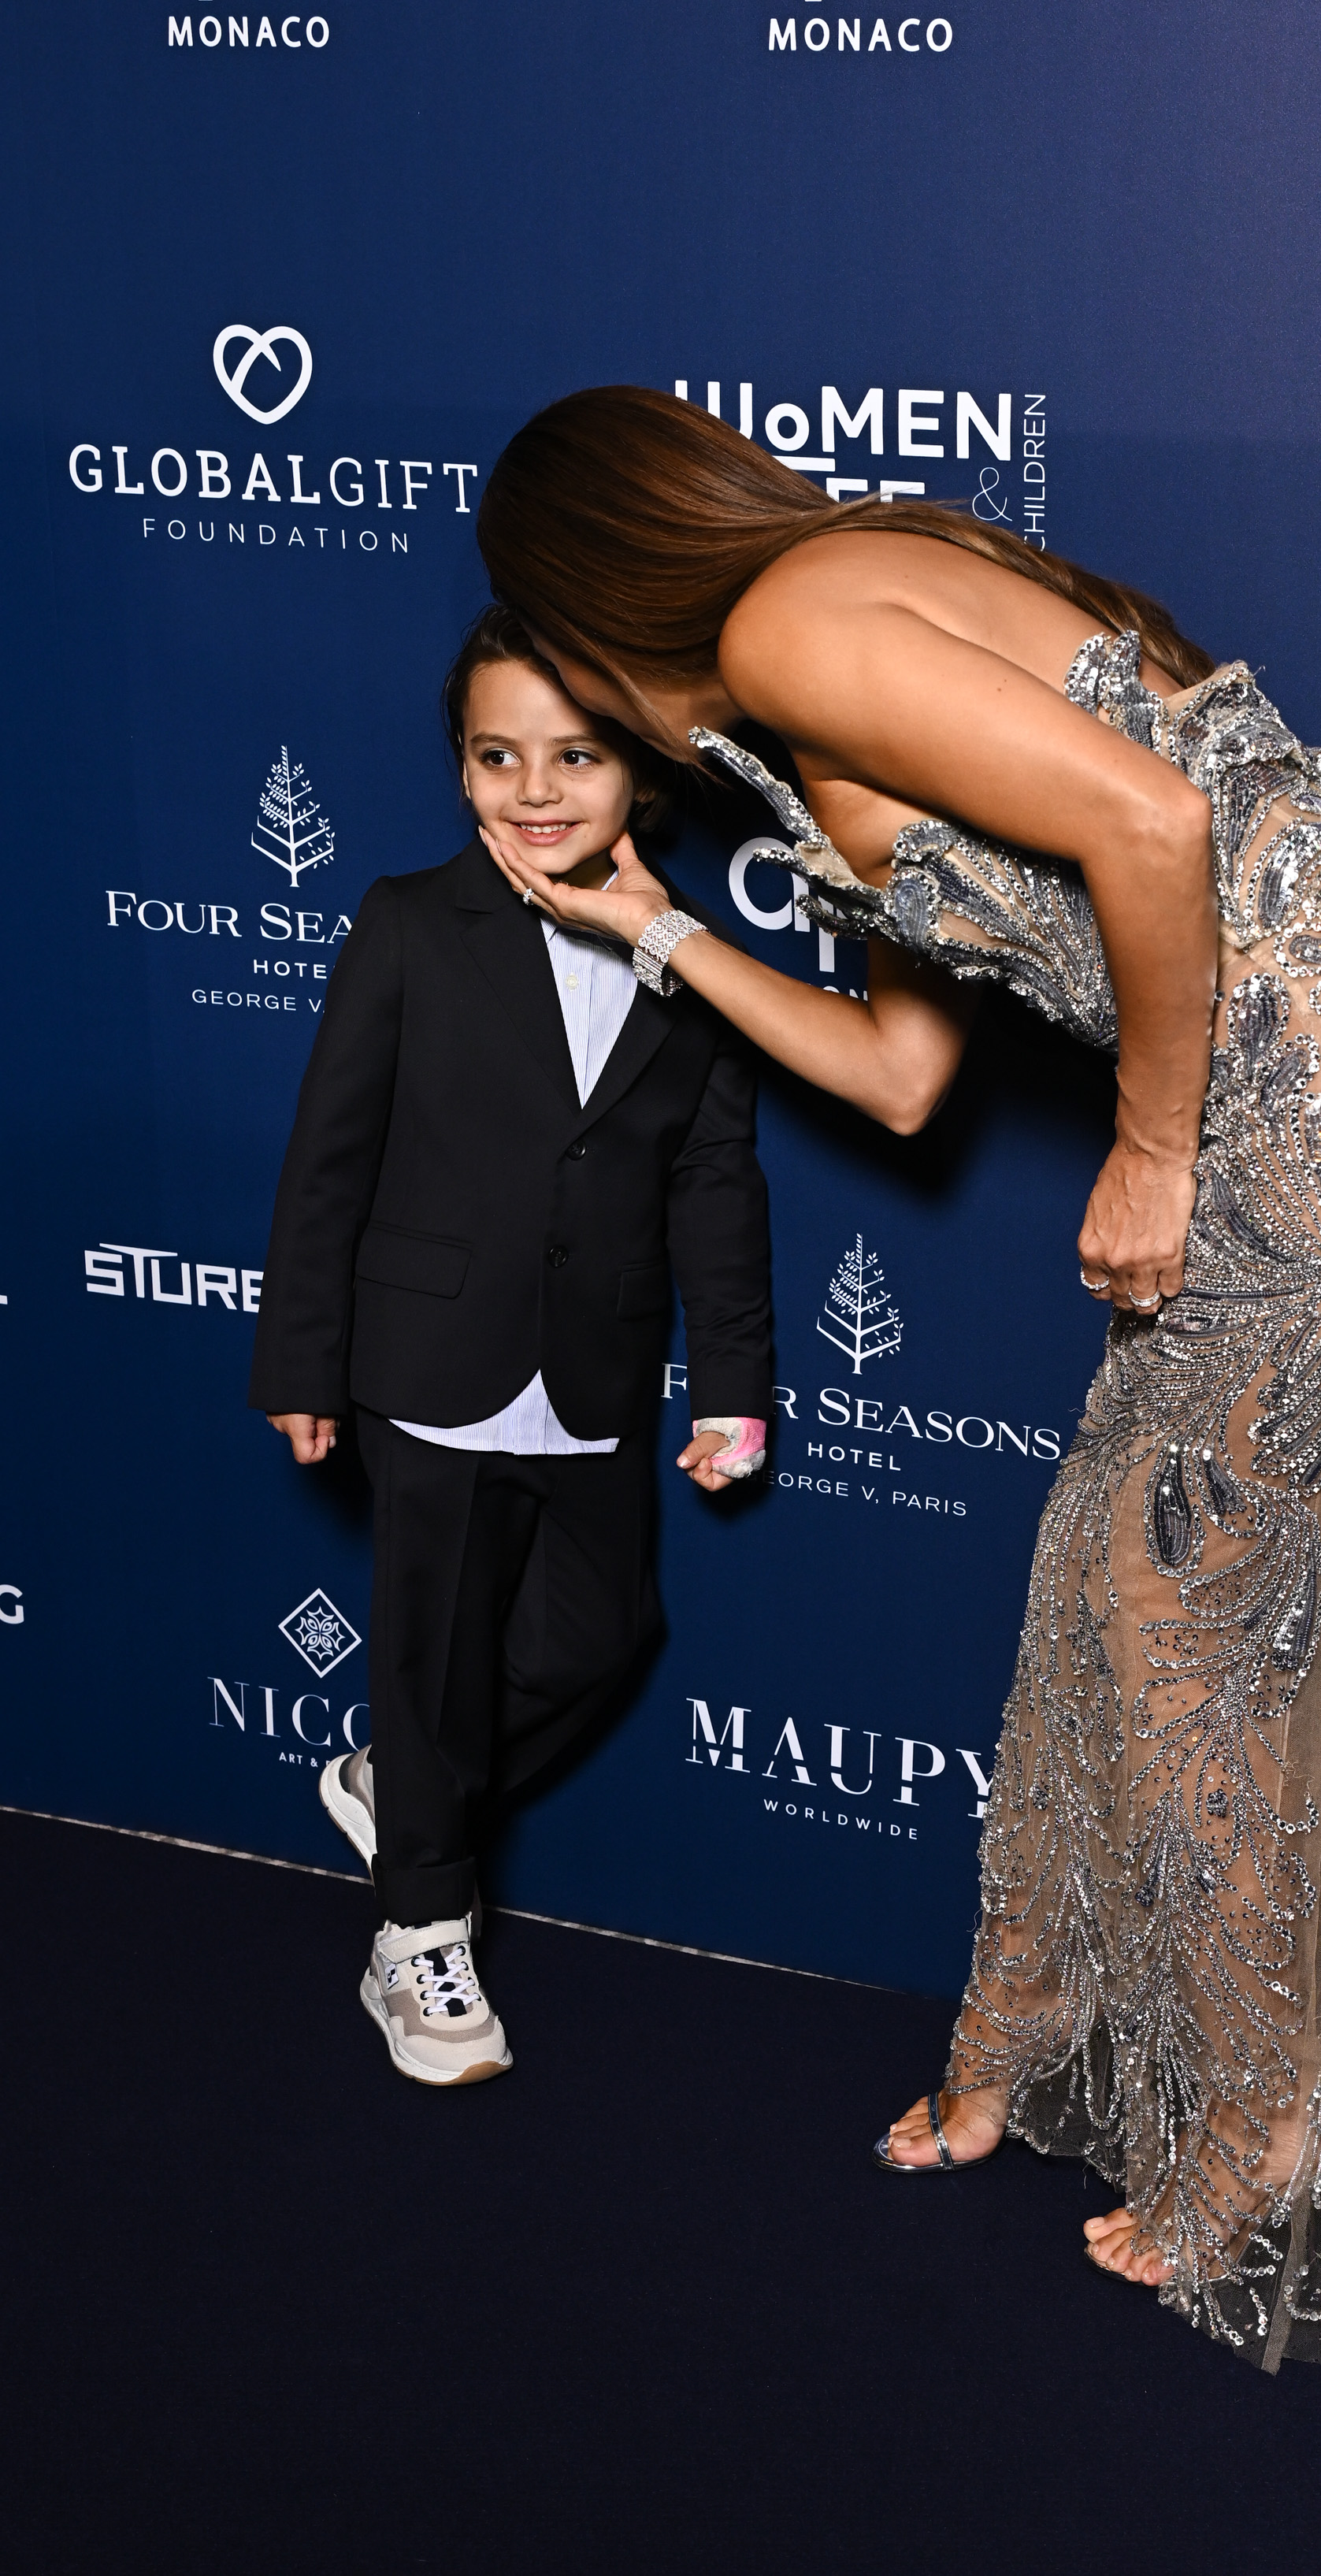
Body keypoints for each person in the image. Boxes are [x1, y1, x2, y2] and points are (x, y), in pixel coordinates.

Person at [472, 386, 1321, 2369]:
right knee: (1181, 1597)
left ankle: (1279, 2108)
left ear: (580, 587)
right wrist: (651, 927)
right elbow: (903, 1082)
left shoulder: (787, 624)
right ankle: (1085, 2050)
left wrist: (1152, 1142)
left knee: (1180, 1624)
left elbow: (1155, 828)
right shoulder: (805, 688)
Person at [248, 605, 773, 2085]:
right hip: (429, 1367)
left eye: (577, 755)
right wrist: (302, 1359)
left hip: (595, 1374)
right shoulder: (407, 922)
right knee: (427, 1655)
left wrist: (733, 1383)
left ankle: (395, 1789)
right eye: (498, 755)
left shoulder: (692, 964)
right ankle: (418, 1932)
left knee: (604, 1633)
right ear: (461, 768)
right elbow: (327, 1160)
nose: (535, 787)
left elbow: (713, 1186)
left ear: (642, 778)